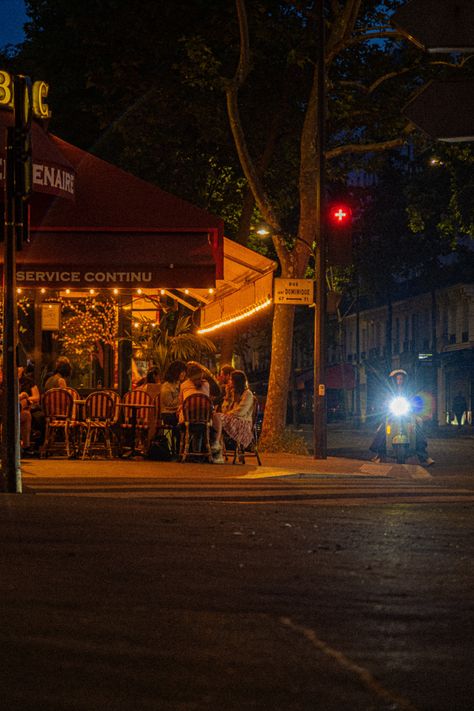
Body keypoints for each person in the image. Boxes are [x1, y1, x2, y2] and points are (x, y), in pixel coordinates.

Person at [370, 369, 434, 466]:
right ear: (394, 380)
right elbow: (385, 402)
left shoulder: (409, 391)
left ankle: (424, 457)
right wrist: (384, 405)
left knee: (418, 430)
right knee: (383, 430)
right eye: (398, 379)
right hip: (392, 414)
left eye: (401, 379)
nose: (400, 381)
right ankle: (380, 455)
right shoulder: (389, 392)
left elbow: (415, 401)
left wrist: (417, 410)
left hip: (407, 414)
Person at [178, 362, 223, 460]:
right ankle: (207, 448)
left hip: (187, 421)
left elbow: (181, 403)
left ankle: (185, 453)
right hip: (205, 421)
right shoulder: (206, 384)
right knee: (209, 419)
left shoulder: (183, 385)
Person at [218, 370, 255, 463]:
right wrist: (227, 396)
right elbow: (224, 410)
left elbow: (240, 411)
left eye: (231, 379)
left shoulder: (248, 394)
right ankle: (217, 448)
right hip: (233, 419)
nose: (229, 382)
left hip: (243, 422)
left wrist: (226, 414)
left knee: (217, 418)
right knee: (216, 417)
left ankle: (217, 449)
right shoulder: (234, 393)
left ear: (237, 381)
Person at [159, 360, 187, 457]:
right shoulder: (166, 386)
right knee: (182, 422)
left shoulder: (181, 385)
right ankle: (179, 449)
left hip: (178, 412)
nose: (184, 373)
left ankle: (184, 449)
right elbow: (168, 404)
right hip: (168, 414)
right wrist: (181, 401)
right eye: (182, 371)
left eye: (184, 371)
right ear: (176, 372)